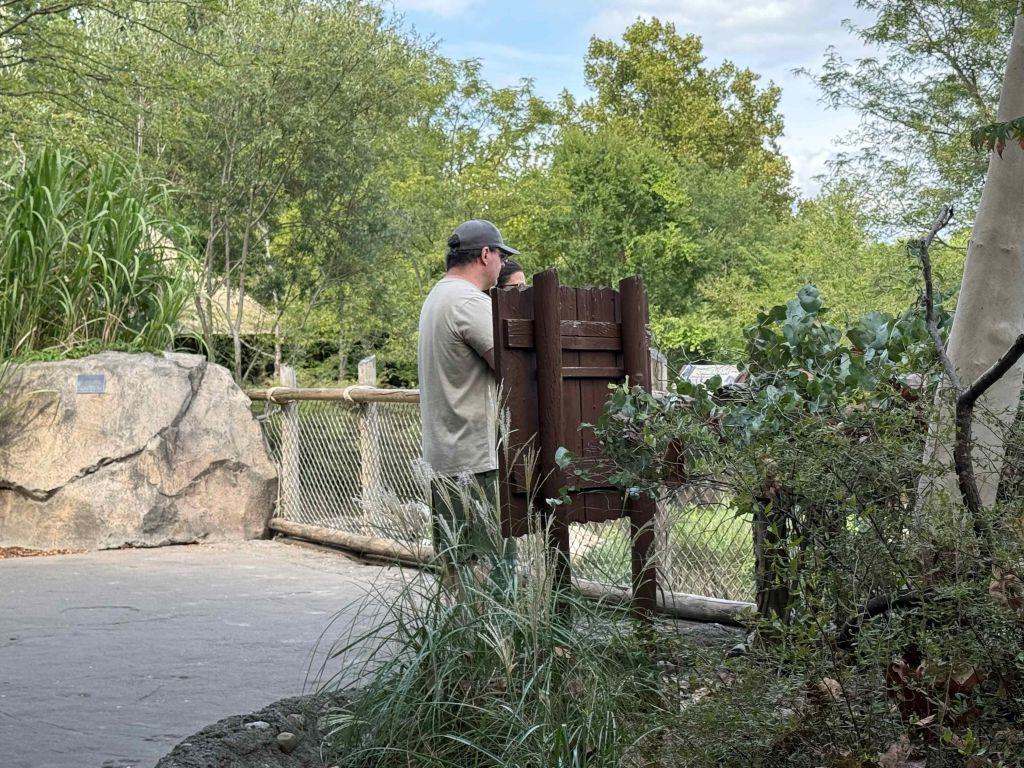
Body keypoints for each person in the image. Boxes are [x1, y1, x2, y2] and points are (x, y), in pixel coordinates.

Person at [417, 219, 519, 592]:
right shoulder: (468, 301)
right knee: (494, 575)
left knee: (456, 571)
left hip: (444, 456)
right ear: (485, 254)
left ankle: (463, 631)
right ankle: (494, 633)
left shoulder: (437, 297)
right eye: (501, 256)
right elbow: (511, 367)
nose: (502, 264)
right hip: (476, 460)